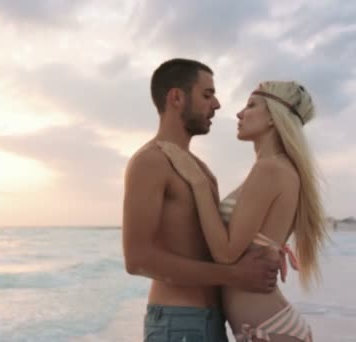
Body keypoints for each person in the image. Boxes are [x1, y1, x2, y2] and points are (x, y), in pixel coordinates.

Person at [122, 58, 281, 342]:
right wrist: (233, 275)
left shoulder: (201, 170)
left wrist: (266, 249)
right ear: (176, 98)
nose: (217, 104)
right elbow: (137, 259)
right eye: (207, 95)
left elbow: (216, 245)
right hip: (177, 324)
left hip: (211, 322)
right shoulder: (150, 161)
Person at [157, 80, 328, 341]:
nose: (239, 113)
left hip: (267, 329)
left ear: (273, 118)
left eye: (250, 105)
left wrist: (199, 184)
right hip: (269, 326)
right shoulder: (279, 169)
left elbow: (226, 253)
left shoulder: (270, 169)